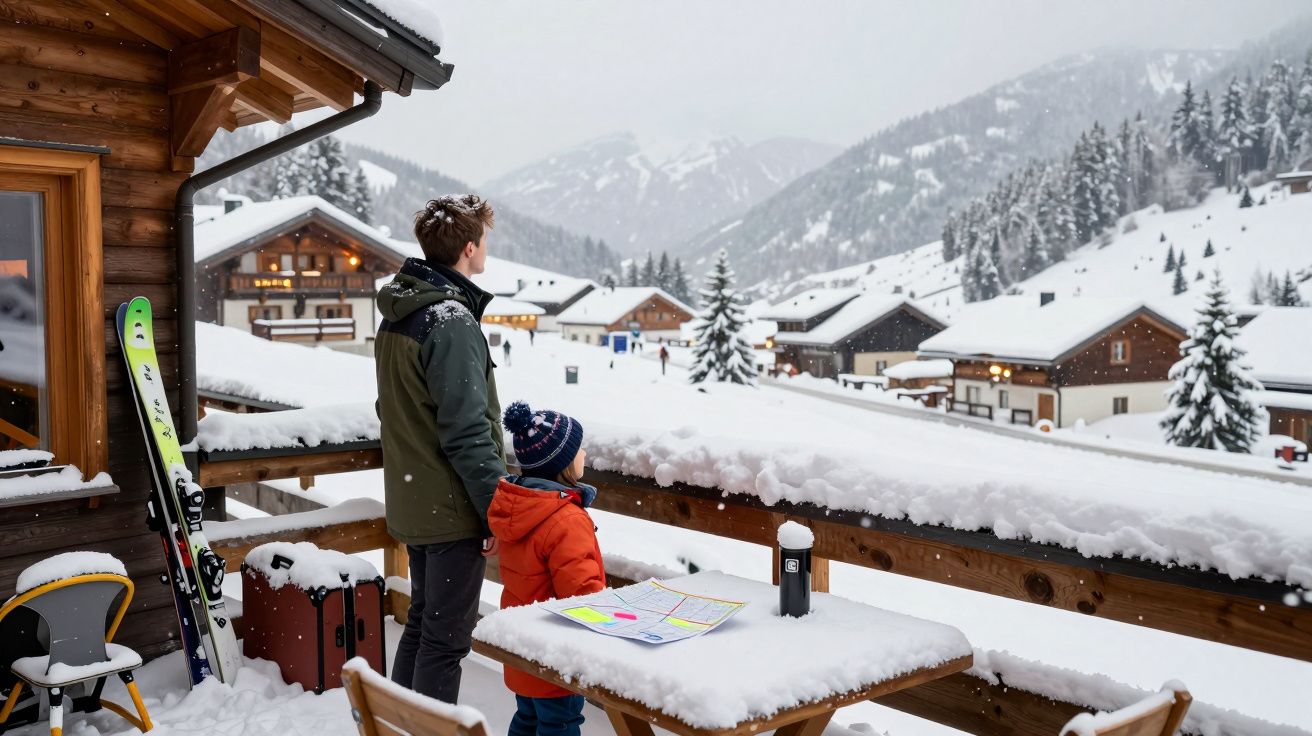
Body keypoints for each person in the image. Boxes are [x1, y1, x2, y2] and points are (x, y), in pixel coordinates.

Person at [374, 194, 506, 703]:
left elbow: (395, 409)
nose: (486, 248)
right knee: (445, 642)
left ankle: (399, 725)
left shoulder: (402, 313)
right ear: (469, 247)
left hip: (417, 501)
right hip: (451, 510)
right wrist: (496, 510)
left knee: (422, 627)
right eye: (485, 240)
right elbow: (468, 430)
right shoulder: (450, 321)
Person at [490, 401, 605, 736]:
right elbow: (581, 594)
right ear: (562, 463)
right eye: (578, 448)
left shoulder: (521, 504)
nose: (584, 453)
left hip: (524, 645)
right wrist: (608, 616)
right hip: (557, 651)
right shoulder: (565, 519)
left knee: (528, 718)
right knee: (559, 725)